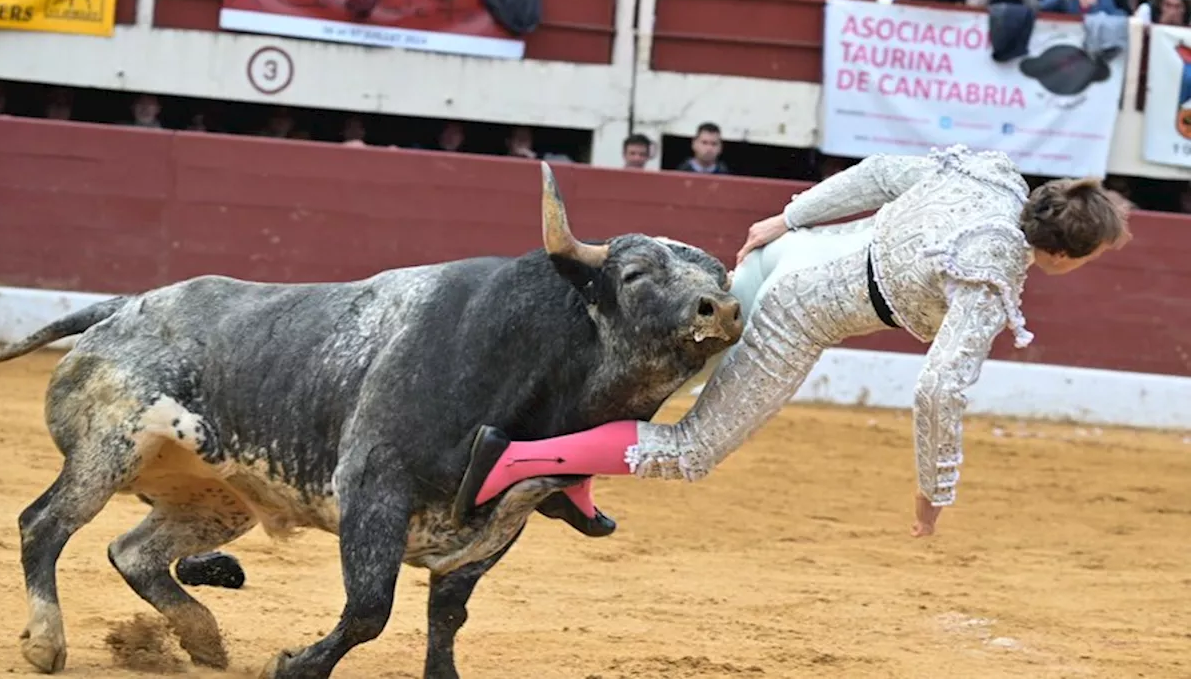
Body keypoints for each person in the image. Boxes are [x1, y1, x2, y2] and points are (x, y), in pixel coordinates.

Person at [452, 145, 1132, 538]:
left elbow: (879, 174)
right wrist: (936, 488)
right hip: (796, 315)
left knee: (665, 367)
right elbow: (939, 386)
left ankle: (569, 473)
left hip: (796, 254)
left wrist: (786, 217)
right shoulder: (988, 281)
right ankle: (515, 458)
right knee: (688, 452)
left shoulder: (988, 176)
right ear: (1066, 256)